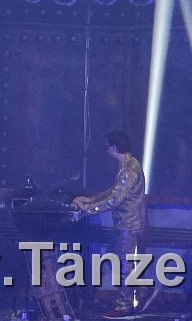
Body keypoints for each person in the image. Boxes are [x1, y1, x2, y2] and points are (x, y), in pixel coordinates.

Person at [73, 131, 157, 318]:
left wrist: (87, 210)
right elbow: (115, 191)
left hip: (128, 224)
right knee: (115, 260)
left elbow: (114, 199)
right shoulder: (128, 166)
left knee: (123, 265)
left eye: (107, 146)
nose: (106, 149)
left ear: (114, 147)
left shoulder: (129, 170)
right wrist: (91, 200)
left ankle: (124, 305)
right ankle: (142, 290)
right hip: (124, 223)